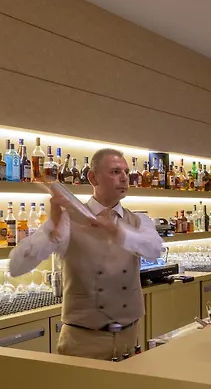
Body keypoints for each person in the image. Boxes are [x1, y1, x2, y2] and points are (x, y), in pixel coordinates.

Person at [9, 148, 162, 360]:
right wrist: (53, 233)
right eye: (115, 171)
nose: (124, 178)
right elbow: (16, 267)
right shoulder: (67, 220)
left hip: (129, 337)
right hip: (82, 343)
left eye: (126, 172)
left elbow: (155, 250)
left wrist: (117, 231)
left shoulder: (138, 221)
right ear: (92, 178)